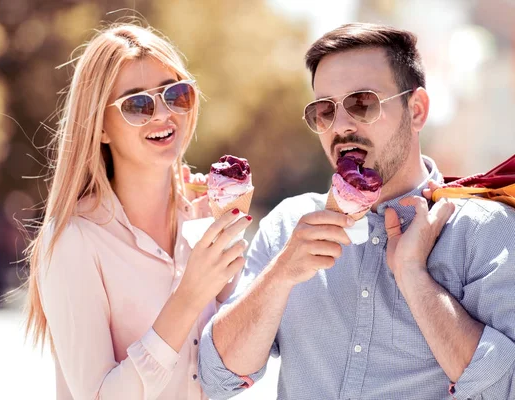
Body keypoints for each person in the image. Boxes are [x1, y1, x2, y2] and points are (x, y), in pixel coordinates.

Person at [198, 23, 515, 400]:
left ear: (416, 111)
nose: (341, 126)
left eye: (362, 103)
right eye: (324, 111)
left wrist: (415, 278)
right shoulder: (288, 225)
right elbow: (218, 379)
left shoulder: (485, 232)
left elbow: (504, 390)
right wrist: (280, 275)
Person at [23, 23, 252, 400]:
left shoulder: (200, 221)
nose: (163, 114)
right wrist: (189, 295)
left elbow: (234, 370)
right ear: (99, 128)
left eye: (175, 94)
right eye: (137, 104)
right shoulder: (73, 241)